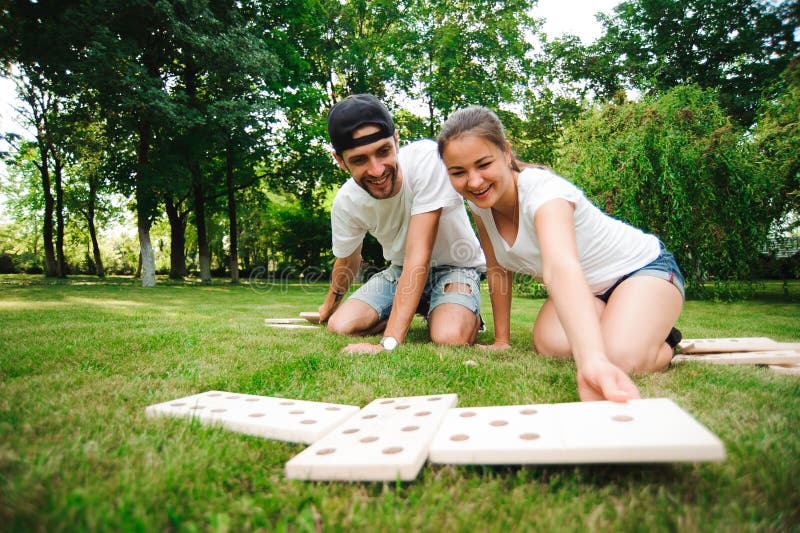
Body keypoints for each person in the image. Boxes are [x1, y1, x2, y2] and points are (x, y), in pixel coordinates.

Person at [437, 106, 685, 402]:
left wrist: (592, 360)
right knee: (549, 343)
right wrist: (502, 340)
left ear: (505, 152)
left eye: (483, 164)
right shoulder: (480, 204)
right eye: (459, 172)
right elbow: (497, 268)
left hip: (643, 270)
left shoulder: (544, 194)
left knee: (618, 357)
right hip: (590, 293)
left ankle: (666, 341)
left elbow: (561, 267)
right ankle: (625, 326)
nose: (474, 181)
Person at [318, 94, 485, 354]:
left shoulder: (427, 160)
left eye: (383, 151)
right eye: (360, 160)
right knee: (341, 325)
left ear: (396, 141)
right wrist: (328, 308)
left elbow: (419, 256)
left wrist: (389, 343)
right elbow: (347, 260)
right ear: (340, 161)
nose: (376, 170)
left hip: (456, 267)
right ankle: (426, 307)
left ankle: (453, 311)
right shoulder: (346, 202)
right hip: (399, 272)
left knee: (449, 336)